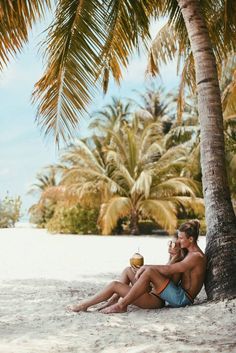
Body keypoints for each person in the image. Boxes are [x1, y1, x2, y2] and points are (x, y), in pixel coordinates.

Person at [70, 220, 206, 313]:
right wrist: (173, 255)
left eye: (181, 238)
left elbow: (169, 270)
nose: (178, 241)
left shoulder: (196, 256)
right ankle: (113, 300)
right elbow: (169, 273)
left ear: (191, 239)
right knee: (128, 270)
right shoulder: (187, 253)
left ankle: (119, 305)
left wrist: (145, 267)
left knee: (120, 282)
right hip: (169, 293)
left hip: (181, 299)